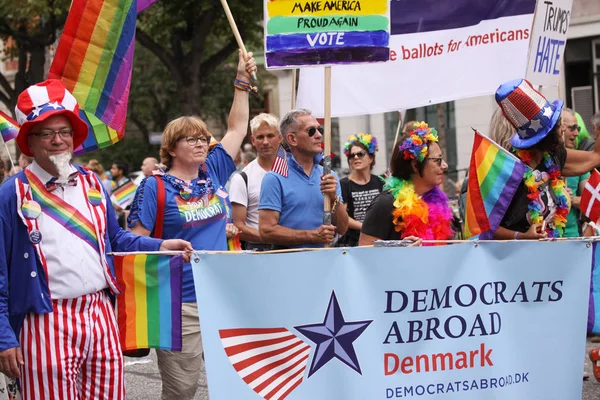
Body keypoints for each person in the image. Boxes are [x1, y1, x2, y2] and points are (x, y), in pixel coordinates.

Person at [0, 79, 192, 400]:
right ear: (28, 142)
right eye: (46, 133)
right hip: (44, 319)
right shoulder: (11, 194)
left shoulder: (94, 185)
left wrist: (161, 245)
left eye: (64, 131)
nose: (58, 140)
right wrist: (5, 338)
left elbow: (116, 240)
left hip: (100, 313)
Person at [128, 50, 256, 399]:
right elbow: (131, 243)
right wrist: (165, 248)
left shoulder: (212, 171)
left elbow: (236, 128)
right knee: (182, 390)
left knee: (233, 382)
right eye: (191, 139)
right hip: (178, 302)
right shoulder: (153, 187)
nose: (201, 144)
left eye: (203, 138)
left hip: (223, 295)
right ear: (171, 148)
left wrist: (241, 82)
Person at [492, 79, 600, 240]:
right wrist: (521, 236)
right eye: (557, 126)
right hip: (517, 260)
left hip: (553, 255)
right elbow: (486, 228)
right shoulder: (508, 168)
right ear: (542, 137)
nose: (563, 129)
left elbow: (594, 157)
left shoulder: (554, 156)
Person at [258, 109, 349, 248]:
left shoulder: (329, 175)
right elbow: (266, 230)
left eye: (320, 130)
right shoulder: (274, 178)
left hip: (324, 262)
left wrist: (333, 198)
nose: (318, 135)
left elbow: (342, 228)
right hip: (288, 264)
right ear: (292, 139)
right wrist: (312, 236)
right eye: (311, 131)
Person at [359, 122, 451, 245]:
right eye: (437, 160)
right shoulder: (385, 204)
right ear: (415, 166)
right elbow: (363, 254)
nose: (445, 166)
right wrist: (401, 250)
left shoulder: (437, 202)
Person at [230, 113, 282, 251]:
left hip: (295, 246)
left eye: (270, 136)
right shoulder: (242, 178)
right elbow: (238, 226)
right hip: (259, 249)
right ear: (253, 140)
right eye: (260, 137)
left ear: (280, 138)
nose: (265, 142)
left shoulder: (293, 172)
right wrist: (273, 237)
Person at [337, 133, 383, 247]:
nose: (356, 157)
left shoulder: (380, 182)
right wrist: (365, 227)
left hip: (377, 240)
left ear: (371, 158)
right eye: (352, 156)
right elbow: (342, 217)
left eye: (360, 154)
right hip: (353, 242)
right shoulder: (344, 184)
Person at [561, 108, 590, 237]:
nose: (577, 133)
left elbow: (591, 201)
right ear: (560, 129)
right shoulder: (542, 159)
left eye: (577, 128)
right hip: (546, 237)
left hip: (573, 236)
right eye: (572, 128)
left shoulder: (579, 161)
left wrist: (573, 200)